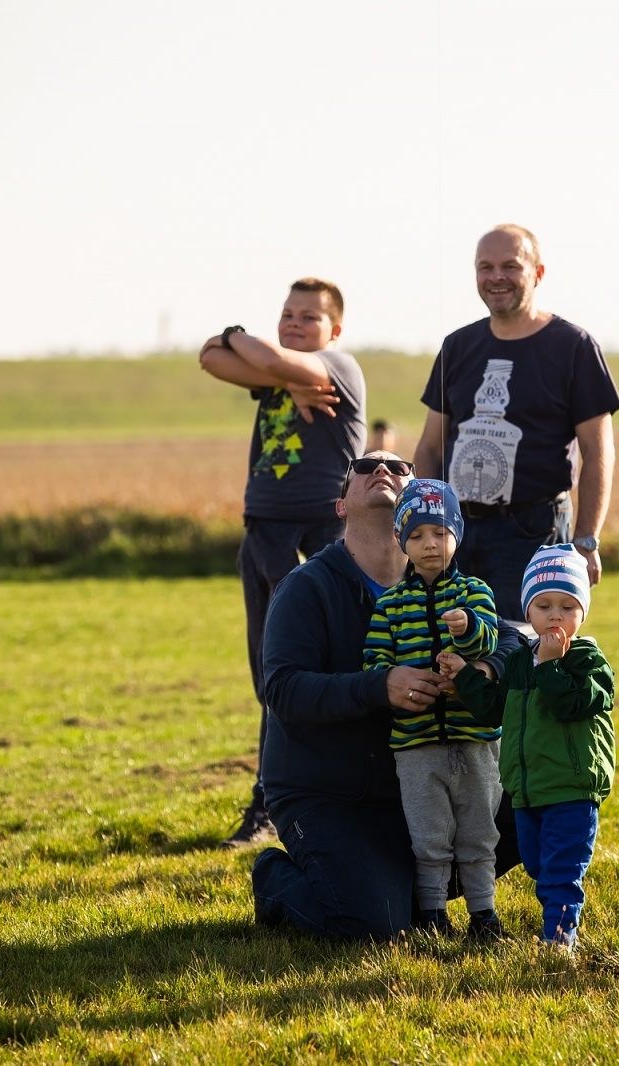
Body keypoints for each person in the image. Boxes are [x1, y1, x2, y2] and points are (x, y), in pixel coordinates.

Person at [252, 452, 524, 940]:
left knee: (532, 803)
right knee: (371, 925)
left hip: (423, 778)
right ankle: (273, 877)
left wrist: (480, 669)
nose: (383, 469)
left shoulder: (451, 584)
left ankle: (416, 893)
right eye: (364, 466)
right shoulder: (306, 588)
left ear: (419, 505)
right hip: (331, 795)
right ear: (340, 506)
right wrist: (380, 686)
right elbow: (283, 690)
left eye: (400, 467)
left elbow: (510, 642)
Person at [198, 278, 367, 847]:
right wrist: (255, 356)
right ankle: (267, 805)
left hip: (322, 530)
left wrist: (264, 358)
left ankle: (338, 794)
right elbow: (210, 358)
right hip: (264, 533)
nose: (294, 323)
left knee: (325, 665)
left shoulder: (338, 367)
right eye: (287, 314)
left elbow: (257, 357)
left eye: (309, 317)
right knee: (272, 676)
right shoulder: (282, 373)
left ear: (334, 330)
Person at [414, 224, 619, 619]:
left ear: (537, 273)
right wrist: (425, 523)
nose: (496, 277)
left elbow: (597, 452)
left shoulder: (573, 347)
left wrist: (586, 541)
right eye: (485, 267)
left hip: (533, 532)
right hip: (456, 530)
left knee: (521, 654)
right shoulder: (457, 347)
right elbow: (428, 447)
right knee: (448, 654)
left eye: (510, 266)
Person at [444, 545, 615, 951]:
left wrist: (552, 665)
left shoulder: (588, 660)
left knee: (560, 870)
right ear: (528, 611)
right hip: (527, 790)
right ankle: (556, 921)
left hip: (571, 788)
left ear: (582, 613)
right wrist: (466, 675)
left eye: (567, 606)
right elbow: (492, 710)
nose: (555, 615)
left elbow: (571, 703)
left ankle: (558, 939)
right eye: (543, 605)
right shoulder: (520, 660)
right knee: (538, 865)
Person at [363, 478, 505, 939]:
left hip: (474, 740)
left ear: (456, 537)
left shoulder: (474, 593)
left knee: (479, 832)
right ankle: (433, 915)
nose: (430, 545)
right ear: (402, 540)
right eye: (418, 535)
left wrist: (465, 633)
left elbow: (490, 637)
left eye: (440, 534)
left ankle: (483, 914)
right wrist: (397, 683)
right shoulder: (389, 606)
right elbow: (375, 663)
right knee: (429, 835)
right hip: (415, 745)